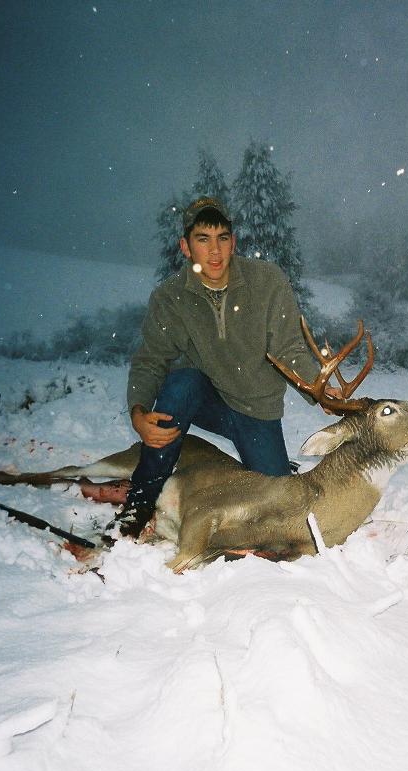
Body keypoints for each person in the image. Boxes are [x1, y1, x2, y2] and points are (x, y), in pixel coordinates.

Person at [109, 195, 336, 540]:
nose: (214, 251)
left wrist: (319, 390)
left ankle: (266, 460)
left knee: (278, 499)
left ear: (234, 242)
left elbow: (288, 348)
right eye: (203, 240)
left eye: (222, 238)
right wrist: (138, 411)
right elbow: (151, 360)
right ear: (185, 247)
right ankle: (140, 502)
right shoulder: (170, 297)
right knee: (180, 384)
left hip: (256, 409)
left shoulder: (267, 281)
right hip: (207, 399)